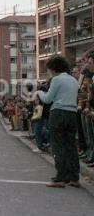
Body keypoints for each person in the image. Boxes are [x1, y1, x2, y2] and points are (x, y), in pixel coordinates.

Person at [36, 56, 80, 188]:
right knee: (70, 146)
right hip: (72, 113)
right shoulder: (74, 80)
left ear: (54, 69)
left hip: (58, 113)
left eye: (49, 70)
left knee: (58, 145)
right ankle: (74, 177)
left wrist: (39, 92)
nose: (49, 72)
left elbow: (48, 99)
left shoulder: (56, 79)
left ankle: (60, 177)